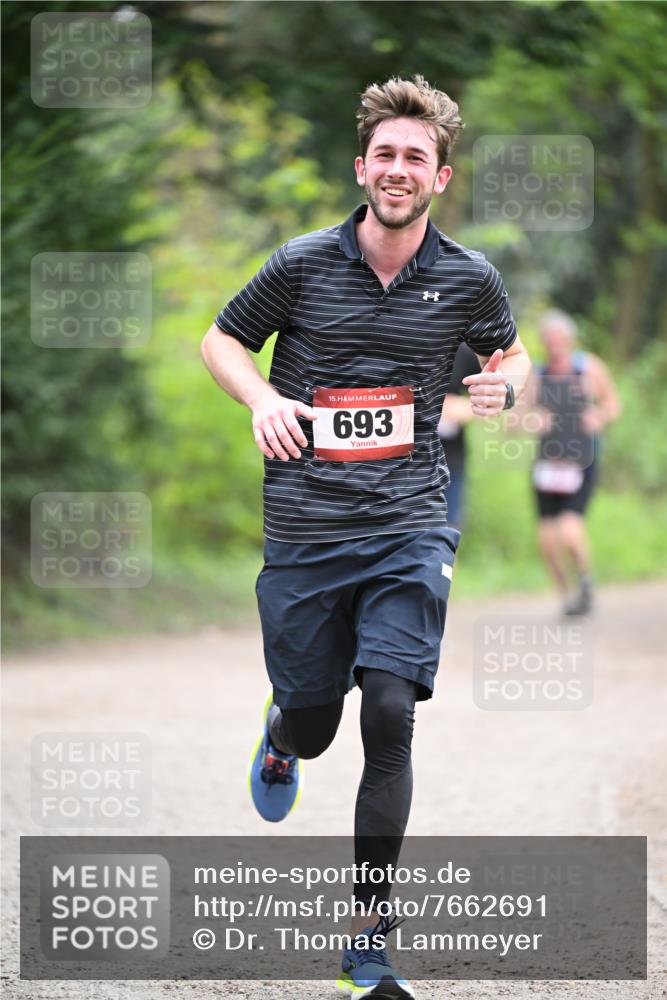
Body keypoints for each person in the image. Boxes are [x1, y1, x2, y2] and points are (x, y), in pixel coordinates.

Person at [201, 75, 531, 999]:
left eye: (414, 157)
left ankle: (368, 941)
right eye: (384, 154)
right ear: (361, 167)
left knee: (389, 710)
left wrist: (506, 382)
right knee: (316, 727)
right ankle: (282, 734)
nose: (397, 169)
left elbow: (509, 353)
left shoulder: (468, 278)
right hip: (306, 529)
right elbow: (221, 341)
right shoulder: (302, 263)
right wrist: (261, 397)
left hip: (408, 524)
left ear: (440, 177)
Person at [523, 310, 621, 616]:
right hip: (548, 464)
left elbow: (613, 405)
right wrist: (533, 420)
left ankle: (586, 581)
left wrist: (599, 416)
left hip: (581, 460)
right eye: (549, 340)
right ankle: (567, 596)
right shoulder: (537, 375)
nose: (554, 345)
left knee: (569, 529)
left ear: (570, 339)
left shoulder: (589, 368)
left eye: (559, 339)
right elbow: (514, 418)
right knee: (547, 542)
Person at [437, 343, 480, 529]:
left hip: (451, 459)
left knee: (449, 528)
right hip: (407, 461)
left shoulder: (463, 352)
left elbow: (494, 390)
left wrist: (467, 408)